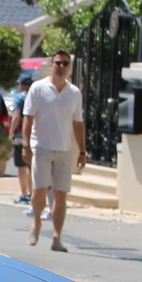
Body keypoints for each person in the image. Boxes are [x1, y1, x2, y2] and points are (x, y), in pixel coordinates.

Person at [22, 51, 85, 252]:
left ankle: (57, 237)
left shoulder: (74, 93)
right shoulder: (38, 88)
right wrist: (25, 144)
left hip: (65, 149)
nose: (61, 66)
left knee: (61, 194)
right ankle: (37, 223)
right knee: (39, 190)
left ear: (70, 67)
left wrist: (82, 151)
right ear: (51, 65)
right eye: (58, 62)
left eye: (65, 63)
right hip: (41, 146)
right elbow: (28, 118)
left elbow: (78, 123)